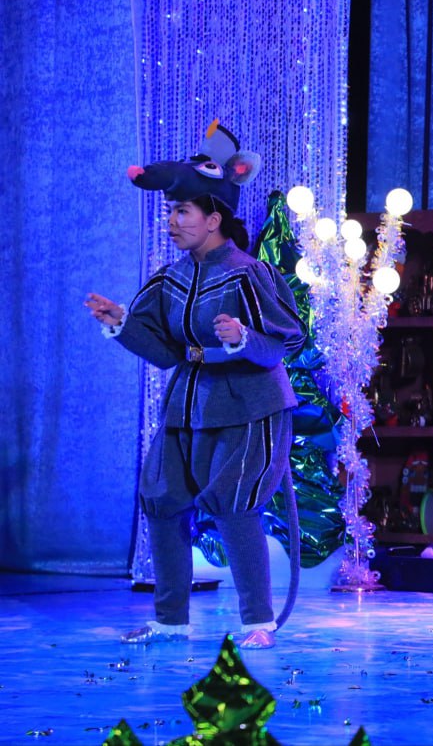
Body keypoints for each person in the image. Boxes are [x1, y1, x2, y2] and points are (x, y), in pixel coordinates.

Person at [86, 121, 304, 649]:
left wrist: (244, 338)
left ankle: (258, 623)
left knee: (235, 502)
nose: (172, 221)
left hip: (251, 407)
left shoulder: (249, 274)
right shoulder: (172, 278)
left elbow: (286, 342)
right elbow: (165, 353)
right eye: (169, 211)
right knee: (161, 498)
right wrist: (122, 324)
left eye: (182, 211)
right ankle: (170, 620)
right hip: (188, 404)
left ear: (214, 218)